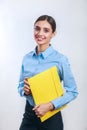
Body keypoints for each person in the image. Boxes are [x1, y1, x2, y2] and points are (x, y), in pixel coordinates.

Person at [18, 15, 78, 130]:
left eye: (46, 30)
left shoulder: (60, 60)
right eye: (37, 28)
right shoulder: (27, 58)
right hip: (29, 114)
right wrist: (24, 90)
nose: (40, 33)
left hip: (51, 117)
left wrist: (50, 105)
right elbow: (20, 85)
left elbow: (73, 91)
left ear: (53, 34)